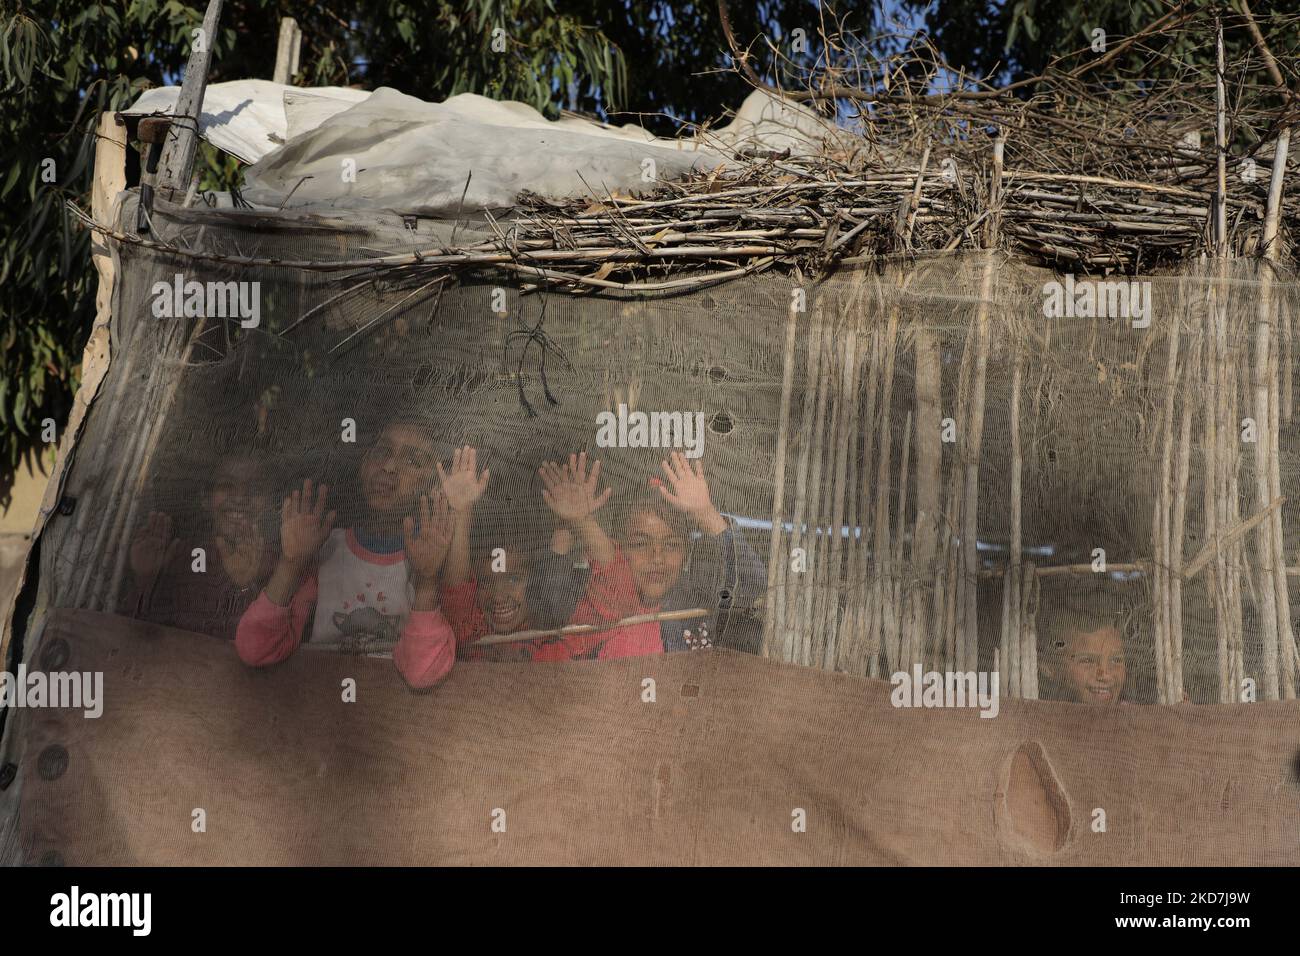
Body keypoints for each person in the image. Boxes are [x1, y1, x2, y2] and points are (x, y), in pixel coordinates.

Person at [233, 418, 457, 689]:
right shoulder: (327, 549)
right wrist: (290, 563)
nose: (389, 467)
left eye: (413, 461)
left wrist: (427, 580)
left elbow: (422, 673)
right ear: (363, 464)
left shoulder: (431, 559)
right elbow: (255, 650)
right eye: (382, 452)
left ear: (432, 485)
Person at [529, 450, 766, 661]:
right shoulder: (597, 600)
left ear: (686, 552)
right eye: (641, 544)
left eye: (672, 545)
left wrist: (706, 515)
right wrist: (574, 525)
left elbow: (751, 585)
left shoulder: (697, 601)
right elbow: (548, 607)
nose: (657, 557)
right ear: (621, 548)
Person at [433, 446, 585, 661]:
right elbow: (456, 600)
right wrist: (462, 512)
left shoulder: (557, 631)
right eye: (485, 582)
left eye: (514, 579)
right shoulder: (474, 631)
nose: (498, 595)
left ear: (535, 578)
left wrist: (570, 524)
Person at [124, 454, 277, 641]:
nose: (239, 498)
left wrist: (244, 588)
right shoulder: (180, 557)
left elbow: (265, 644)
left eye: (255, 489)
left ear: (269, 502)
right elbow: (133, 637)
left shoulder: (279, 566)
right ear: (206, 498)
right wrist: (146, 579)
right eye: (227, 486)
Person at [1038, 604, 1128, 705]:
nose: (1105, 676)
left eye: (1116, 660)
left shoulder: (1135, 717)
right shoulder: (1037, 715)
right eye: (1087, 661)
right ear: (1049, 666)